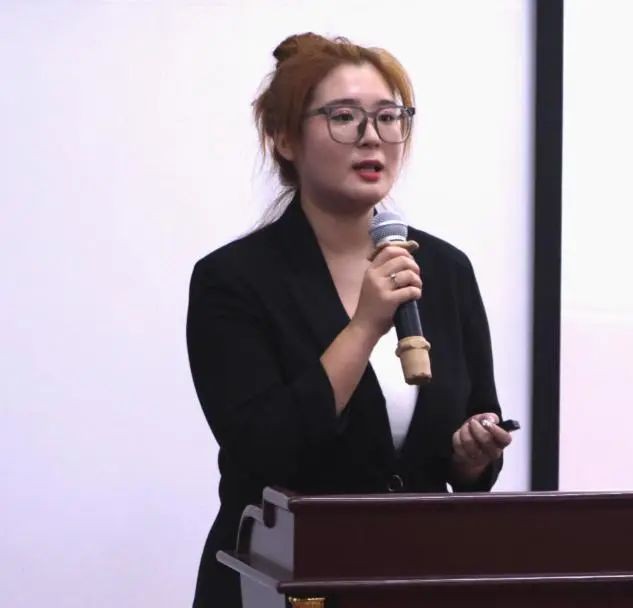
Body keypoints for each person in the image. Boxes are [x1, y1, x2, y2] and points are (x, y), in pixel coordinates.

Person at [185, 32, 513, 607]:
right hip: (284, 583)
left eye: (389, 117)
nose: (372, 137)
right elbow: (266, 451)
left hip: (414, 582)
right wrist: (364, 325)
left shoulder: (445, 269)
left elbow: (465, 449)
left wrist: (472, 453)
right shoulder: (233, 280)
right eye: (343, 117)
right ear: (284, 137)